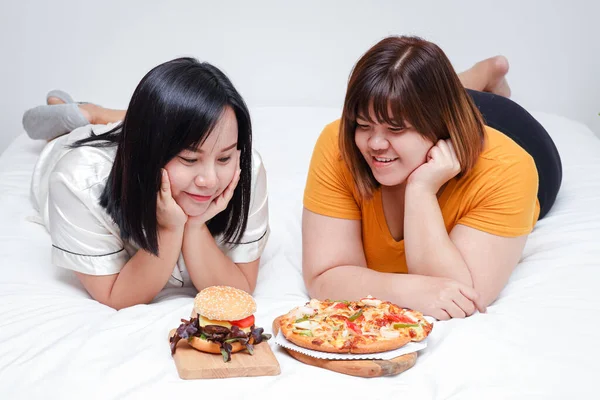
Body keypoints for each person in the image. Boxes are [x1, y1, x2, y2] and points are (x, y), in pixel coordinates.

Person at [301, 36, 562, 320]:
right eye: (363, 124)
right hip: (435, 112)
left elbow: (461, 297)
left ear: (440, 127)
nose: (375, 143)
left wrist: (421, 190)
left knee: (452, 99)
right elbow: (324, 278)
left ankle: (487, 76)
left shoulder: (509, 167)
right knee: (412, 95)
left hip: (515, 131)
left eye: (396, 129)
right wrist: (407, 291)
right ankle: (477, 75)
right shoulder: (340, 142)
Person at [25, 58, 270, 310]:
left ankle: (106, 115)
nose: (209, 181)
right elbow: (116, 296)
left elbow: (238, 290)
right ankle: (90, 116)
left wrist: (194, 226)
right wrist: (169, 228)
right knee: (64, 139)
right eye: (189, 158)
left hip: (150, 136)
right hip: (74, 148)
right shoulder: (78, 179)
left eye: (224, 157)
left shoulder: (245, 168)